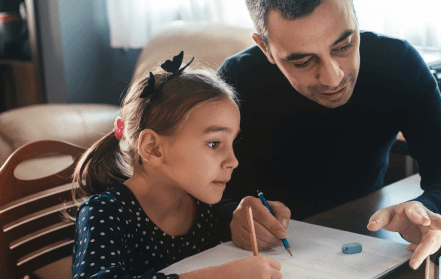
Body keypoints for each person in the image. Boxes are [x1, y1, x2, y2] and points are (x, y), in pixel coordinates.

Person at [217, 0, 441, 270]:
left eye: (344, 45)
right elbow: (187, 194)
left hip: (362, 246)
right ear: (265, 48)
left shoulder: (397, 63)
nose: (334, 78)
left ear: (354, 13)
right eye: (303, 62)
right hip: (267, 261)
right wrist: (230, 216)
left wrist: (428, 210)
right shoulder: (235, 83)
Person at [69, 52, 282, 279]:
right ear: (154, 148)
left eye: (233, 142)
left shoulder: (201, 204)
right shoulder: (103, 213)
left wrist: (249, 220)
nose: (233, 160)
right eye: (213, 143)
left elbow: (232, 221)